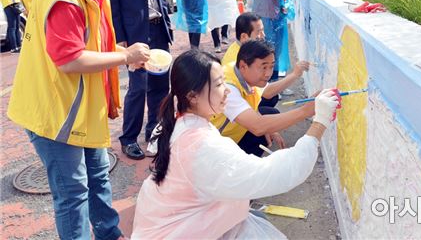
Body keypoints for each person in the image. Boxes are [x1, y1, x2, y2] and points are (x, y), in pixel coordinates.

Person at [7, 0, 150, 240]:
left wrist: (125, 57)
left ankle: (109, 234)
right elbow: (69, 59)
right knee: (73, 194)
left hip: (80, 109)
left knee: (98, 175)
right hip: (55, 115)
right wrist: (124, 56)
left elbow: (95, 41)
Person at [132, 48, 339, 239]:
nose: (227, 91)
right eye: (219, 85)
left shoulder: (184, 122)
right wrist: (319, 122)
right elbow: (273, 173)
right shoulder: (202, 147)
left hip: (181, 221)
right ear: (193, 96)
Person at [107, 0, 173, 160]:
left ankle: (153, 133)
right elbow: (113, 5)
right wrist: (121, 41)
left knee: (160, 86)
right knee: (138, 86)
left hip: (158, 31)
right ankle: (128, 138)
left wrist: (166, 21)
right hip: (135, 36)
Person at [211, 40, 311, 157]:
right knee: (263, 128)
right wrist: (306, 110)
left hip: (230, 135)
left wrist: (295, 75)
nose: (268, 73)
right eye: (263, 67)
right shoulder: (228, 89)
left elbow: (267, 93)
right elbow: (258, 127)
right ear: (243, 66)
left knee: (269, 123)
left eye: (271, 66)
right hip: (215, 147)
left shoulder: (238, 69)